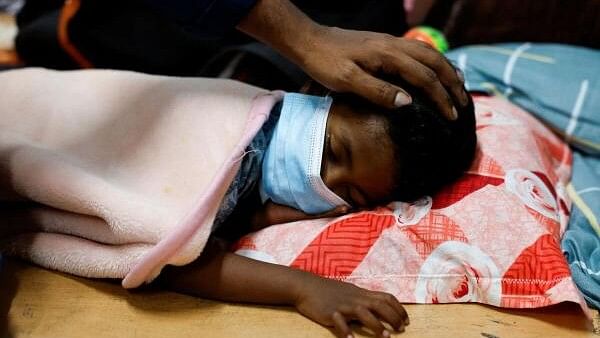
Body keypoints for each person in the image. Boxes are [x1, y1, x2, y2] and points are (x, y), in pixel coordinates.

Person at [159, 83, 477, 338]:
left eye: (350, 193)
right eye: (334, 150)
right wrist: (304, 288)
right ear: (314, 89)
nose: (325, 180)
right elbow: (180, 264)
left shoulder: (256, 194)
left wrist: (251, 218)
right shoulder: (230, 118)